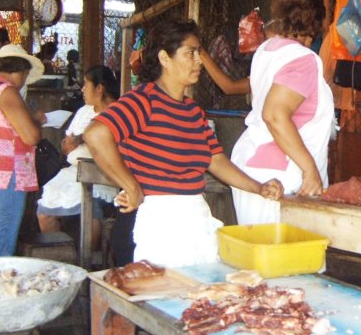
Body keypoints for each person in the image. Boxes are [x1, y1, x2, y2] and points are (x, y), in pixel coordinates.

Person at [84, 20, 283, 268]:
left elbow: (216, 160)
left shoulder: (193, 112)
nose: (199, 61)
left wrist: (258, 188)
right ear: (165, 58)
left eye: (199, 53)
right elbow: (96, 134)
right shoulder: (144, 101)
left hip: (191, 222)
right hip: (151, 226)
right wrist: (131, 186)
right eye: (190, 53)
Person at [230, 0, 335, 225]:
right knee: (286, 257)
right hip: (280, 177)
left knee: (258, 254)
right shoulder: (303, 59)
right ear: (317, 22)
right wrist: (310, 169)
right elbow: (274, 114)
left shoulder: (267, 50)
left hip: (255, 166)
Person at [37, 65, 119, 251]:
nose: (82, 89)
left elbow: (106, 138)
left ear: (100, 88)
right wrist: (66, 146)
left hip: (101, 174)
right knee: (44, 211)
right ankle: (61, 255)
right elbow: (66, 144)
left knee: (90, 208)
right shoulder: (84, 111)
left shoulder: (118, 111)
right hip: (73, 172)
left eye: (86, 85)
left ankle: (88, 261)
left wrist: (81, 139)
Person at [0, 44, 45, 256]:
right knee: (1, 247)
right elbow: (31, 137)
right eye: (25, 74)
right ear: (20, 70)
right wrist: (38, 123)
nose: (24, 80)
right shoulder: (8, 92)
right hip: (8, 178)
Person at [200, 20, 280, 96]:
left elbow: (230, 88)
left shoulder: (275, 72)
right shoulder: (270, 68)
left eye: (267, 40)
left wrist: (200, 52)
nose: (261, 45)